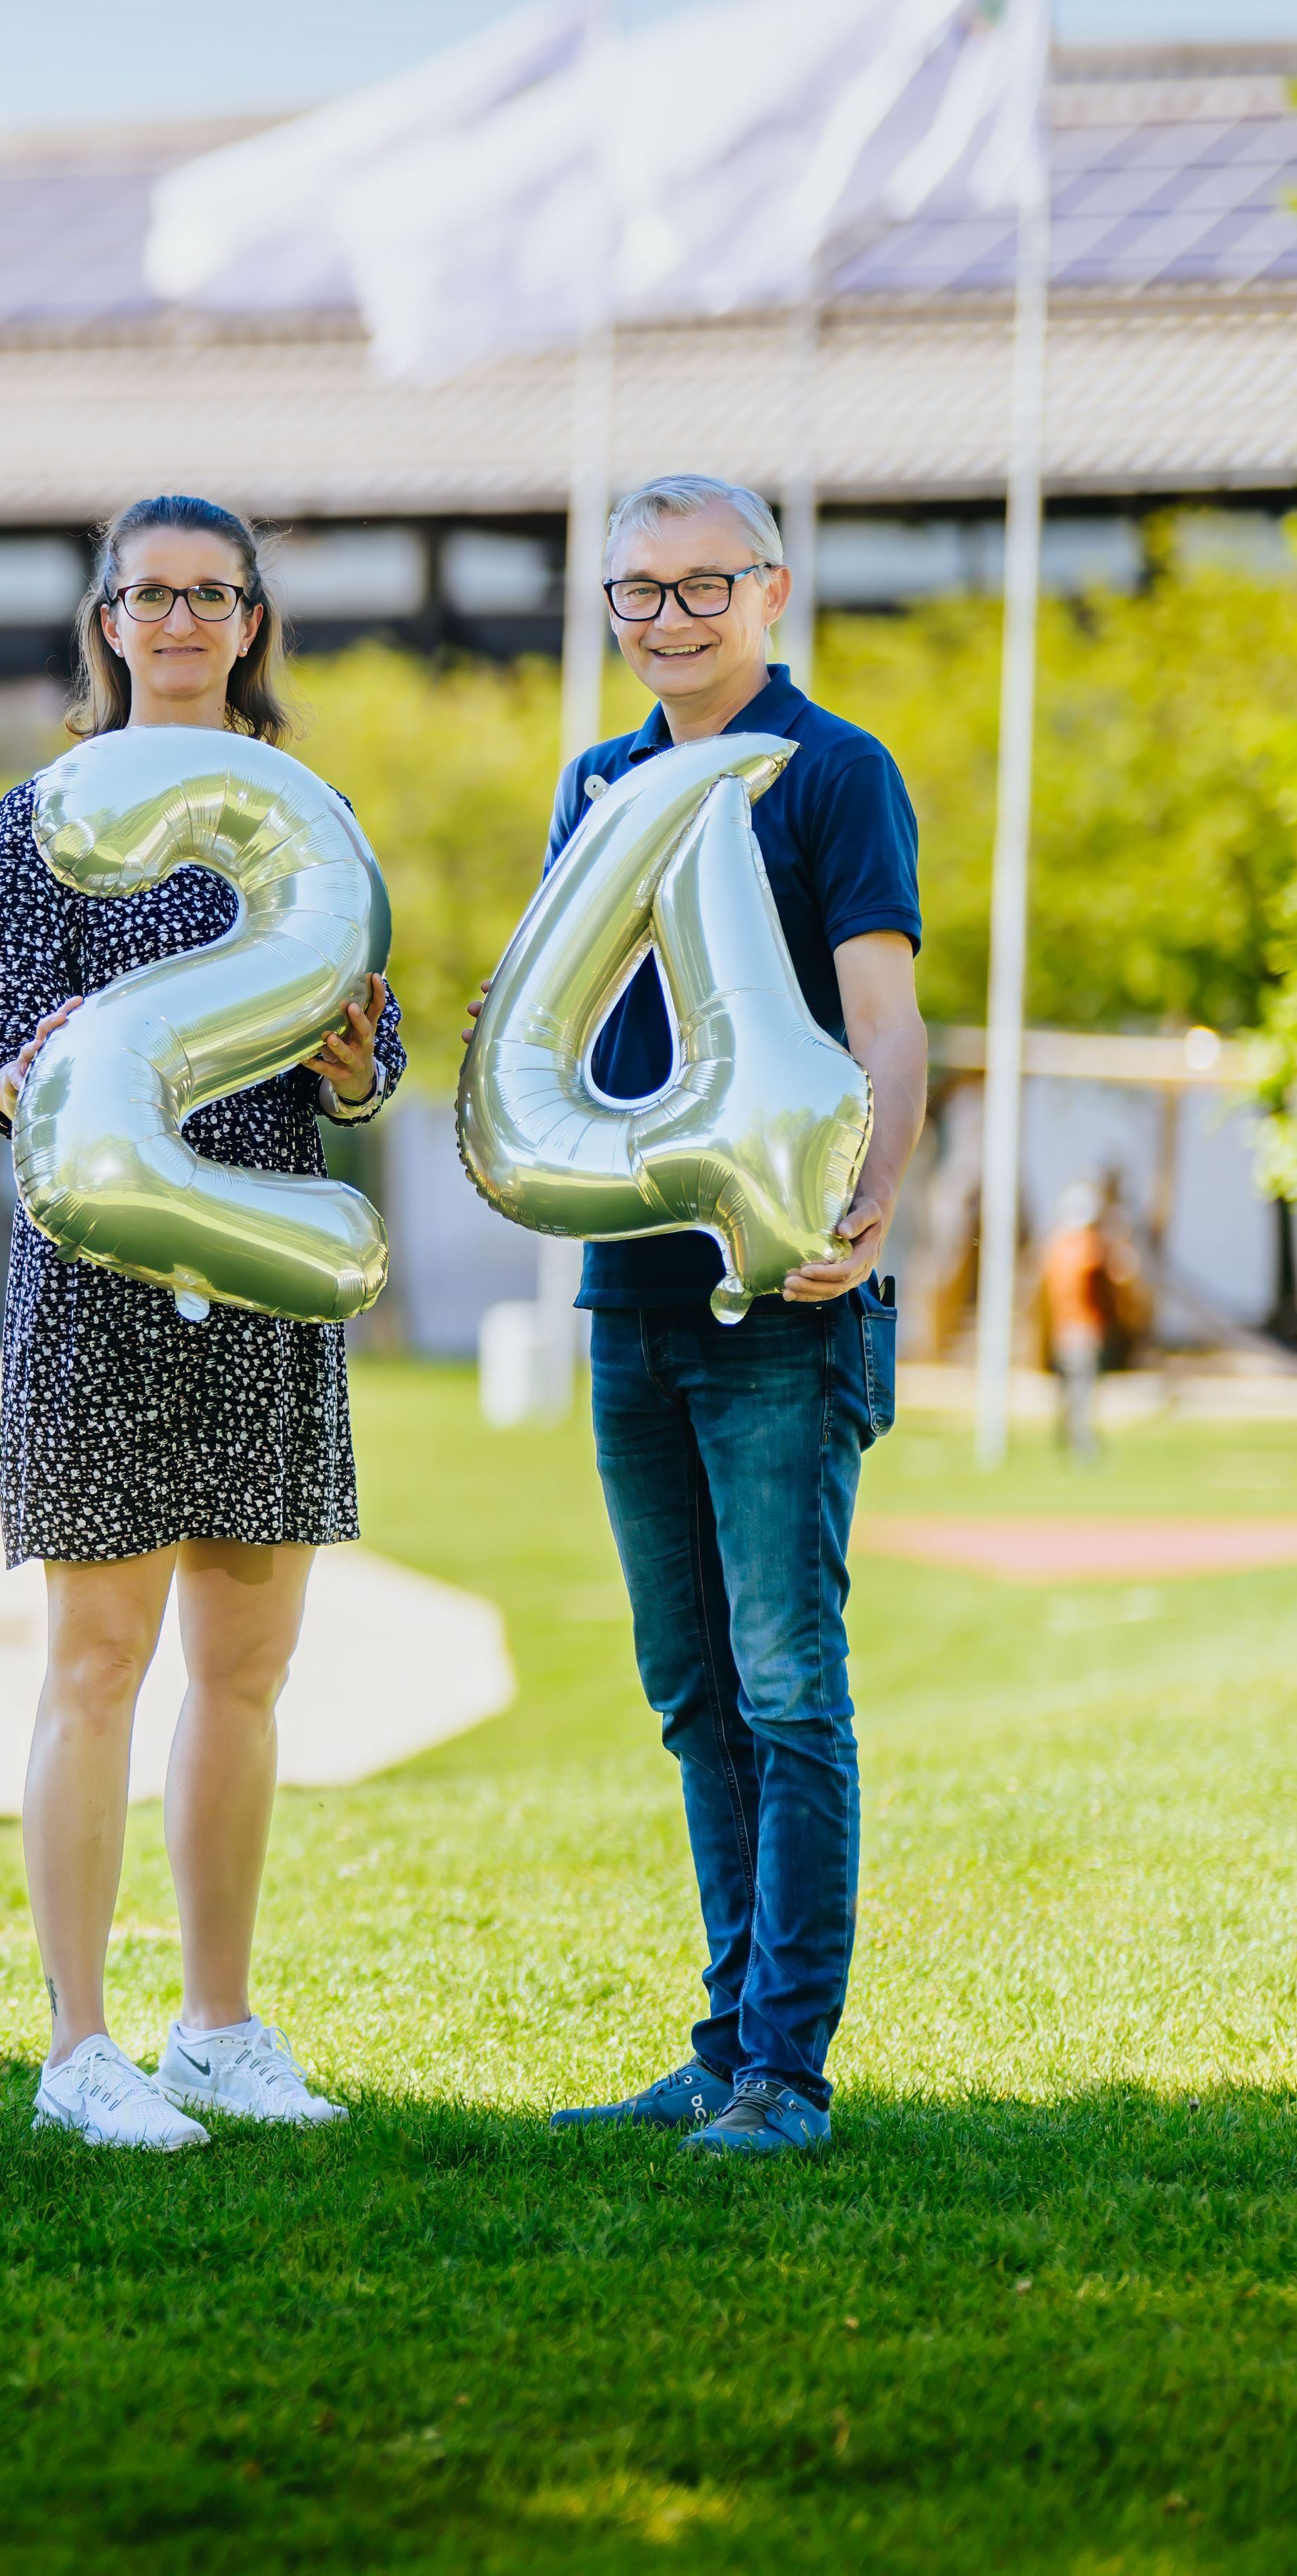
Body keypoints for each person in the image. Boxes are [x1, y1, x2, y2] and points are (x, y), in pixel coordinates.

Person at [0, 493, 400, 2153]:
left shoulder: (309, 812)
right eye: (154, 592)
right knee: (96, 1663)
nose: (185, 619)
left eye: (215, 594)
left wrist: (356, 1060)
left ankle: (216, 2026)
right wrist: (45, 1056)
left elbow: (370, 1058)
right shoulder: (48, 817)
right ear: (107, 616)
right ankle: (78, 2045)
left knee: (247, 1670)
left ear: (254, 620)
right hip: (101, 1278)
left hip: (268, 1268)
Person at [537, 475, 926, 2162]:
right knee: (691, 1683)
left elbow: (885, 1012)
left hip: (785, 1285)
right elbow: (567, 993)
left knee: (786, 1681)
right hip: (626, 1279)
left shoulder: (831, 771)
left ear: (770, 592)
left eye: (705, 587)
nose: (670, 618)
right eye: (638, 591)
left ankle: (787, 2069)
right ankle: (720, 2044)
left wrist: (875, 1199)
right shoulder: (599, 779)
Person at [1039, 1181, 1111, 1470]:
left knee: (1068, 1393)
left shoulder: (1055, 1248)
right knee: (1081, 1393)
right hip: (1083, 1330)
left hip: (1062, 1330)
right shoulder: (1086, 1249)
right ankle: (1082, 1448)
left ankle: (1067, 1443)